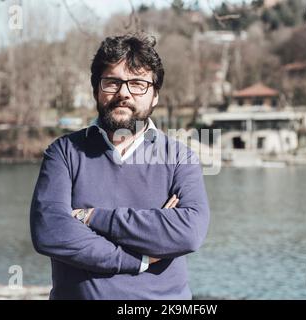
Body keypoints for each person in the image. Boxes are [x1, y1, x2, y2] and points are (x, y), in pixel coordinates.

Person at [30, 33, 210, 300]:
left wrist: (92, 218)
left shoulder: (179, 158)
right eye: (112, 82)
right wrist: (139, 259)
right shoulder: (64, 153)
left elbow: (188, 232)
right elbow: (50, 231)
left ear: (155, 96)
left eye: (138, 83)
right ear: (96, 90)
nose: (124, 93)